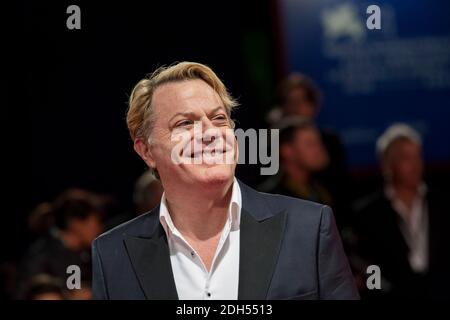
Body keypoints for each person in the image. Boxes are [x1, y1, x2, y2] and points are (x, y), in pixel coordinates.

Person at [92, 62, 358, 300]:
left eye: (219, 118)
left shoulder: (309, 228)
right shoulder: (112, 254)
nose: (210, 132)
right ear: (146, 151)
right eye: (185, 123)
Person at [354, 124, 450, 299]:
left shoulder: (443, 204)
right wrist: (375, 293)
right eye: (406, 158)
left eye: (417, 156)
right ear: (387, 164)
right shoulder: (367, 214)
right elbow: (367, 267)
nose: (415, 164)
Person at [268, 73, 351, 227]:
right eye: (290, 102)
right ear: (287, 151)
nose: (296, 108)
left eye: (302, 101)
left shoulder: (323, 189)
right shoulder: (267, 146)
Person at [17, 189, 104, 299]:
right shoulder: (41, 256)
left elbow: (74, 288)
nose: (100, 229)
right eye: (96, 223)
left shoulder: (80, 255)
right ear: (76, 224)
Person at [259, 117, 332, 206]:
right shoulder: (271, 199)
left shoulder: (325, 188)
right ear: (287, 151)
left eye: (319, 142)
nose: (319, 149)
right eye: (310, 144)